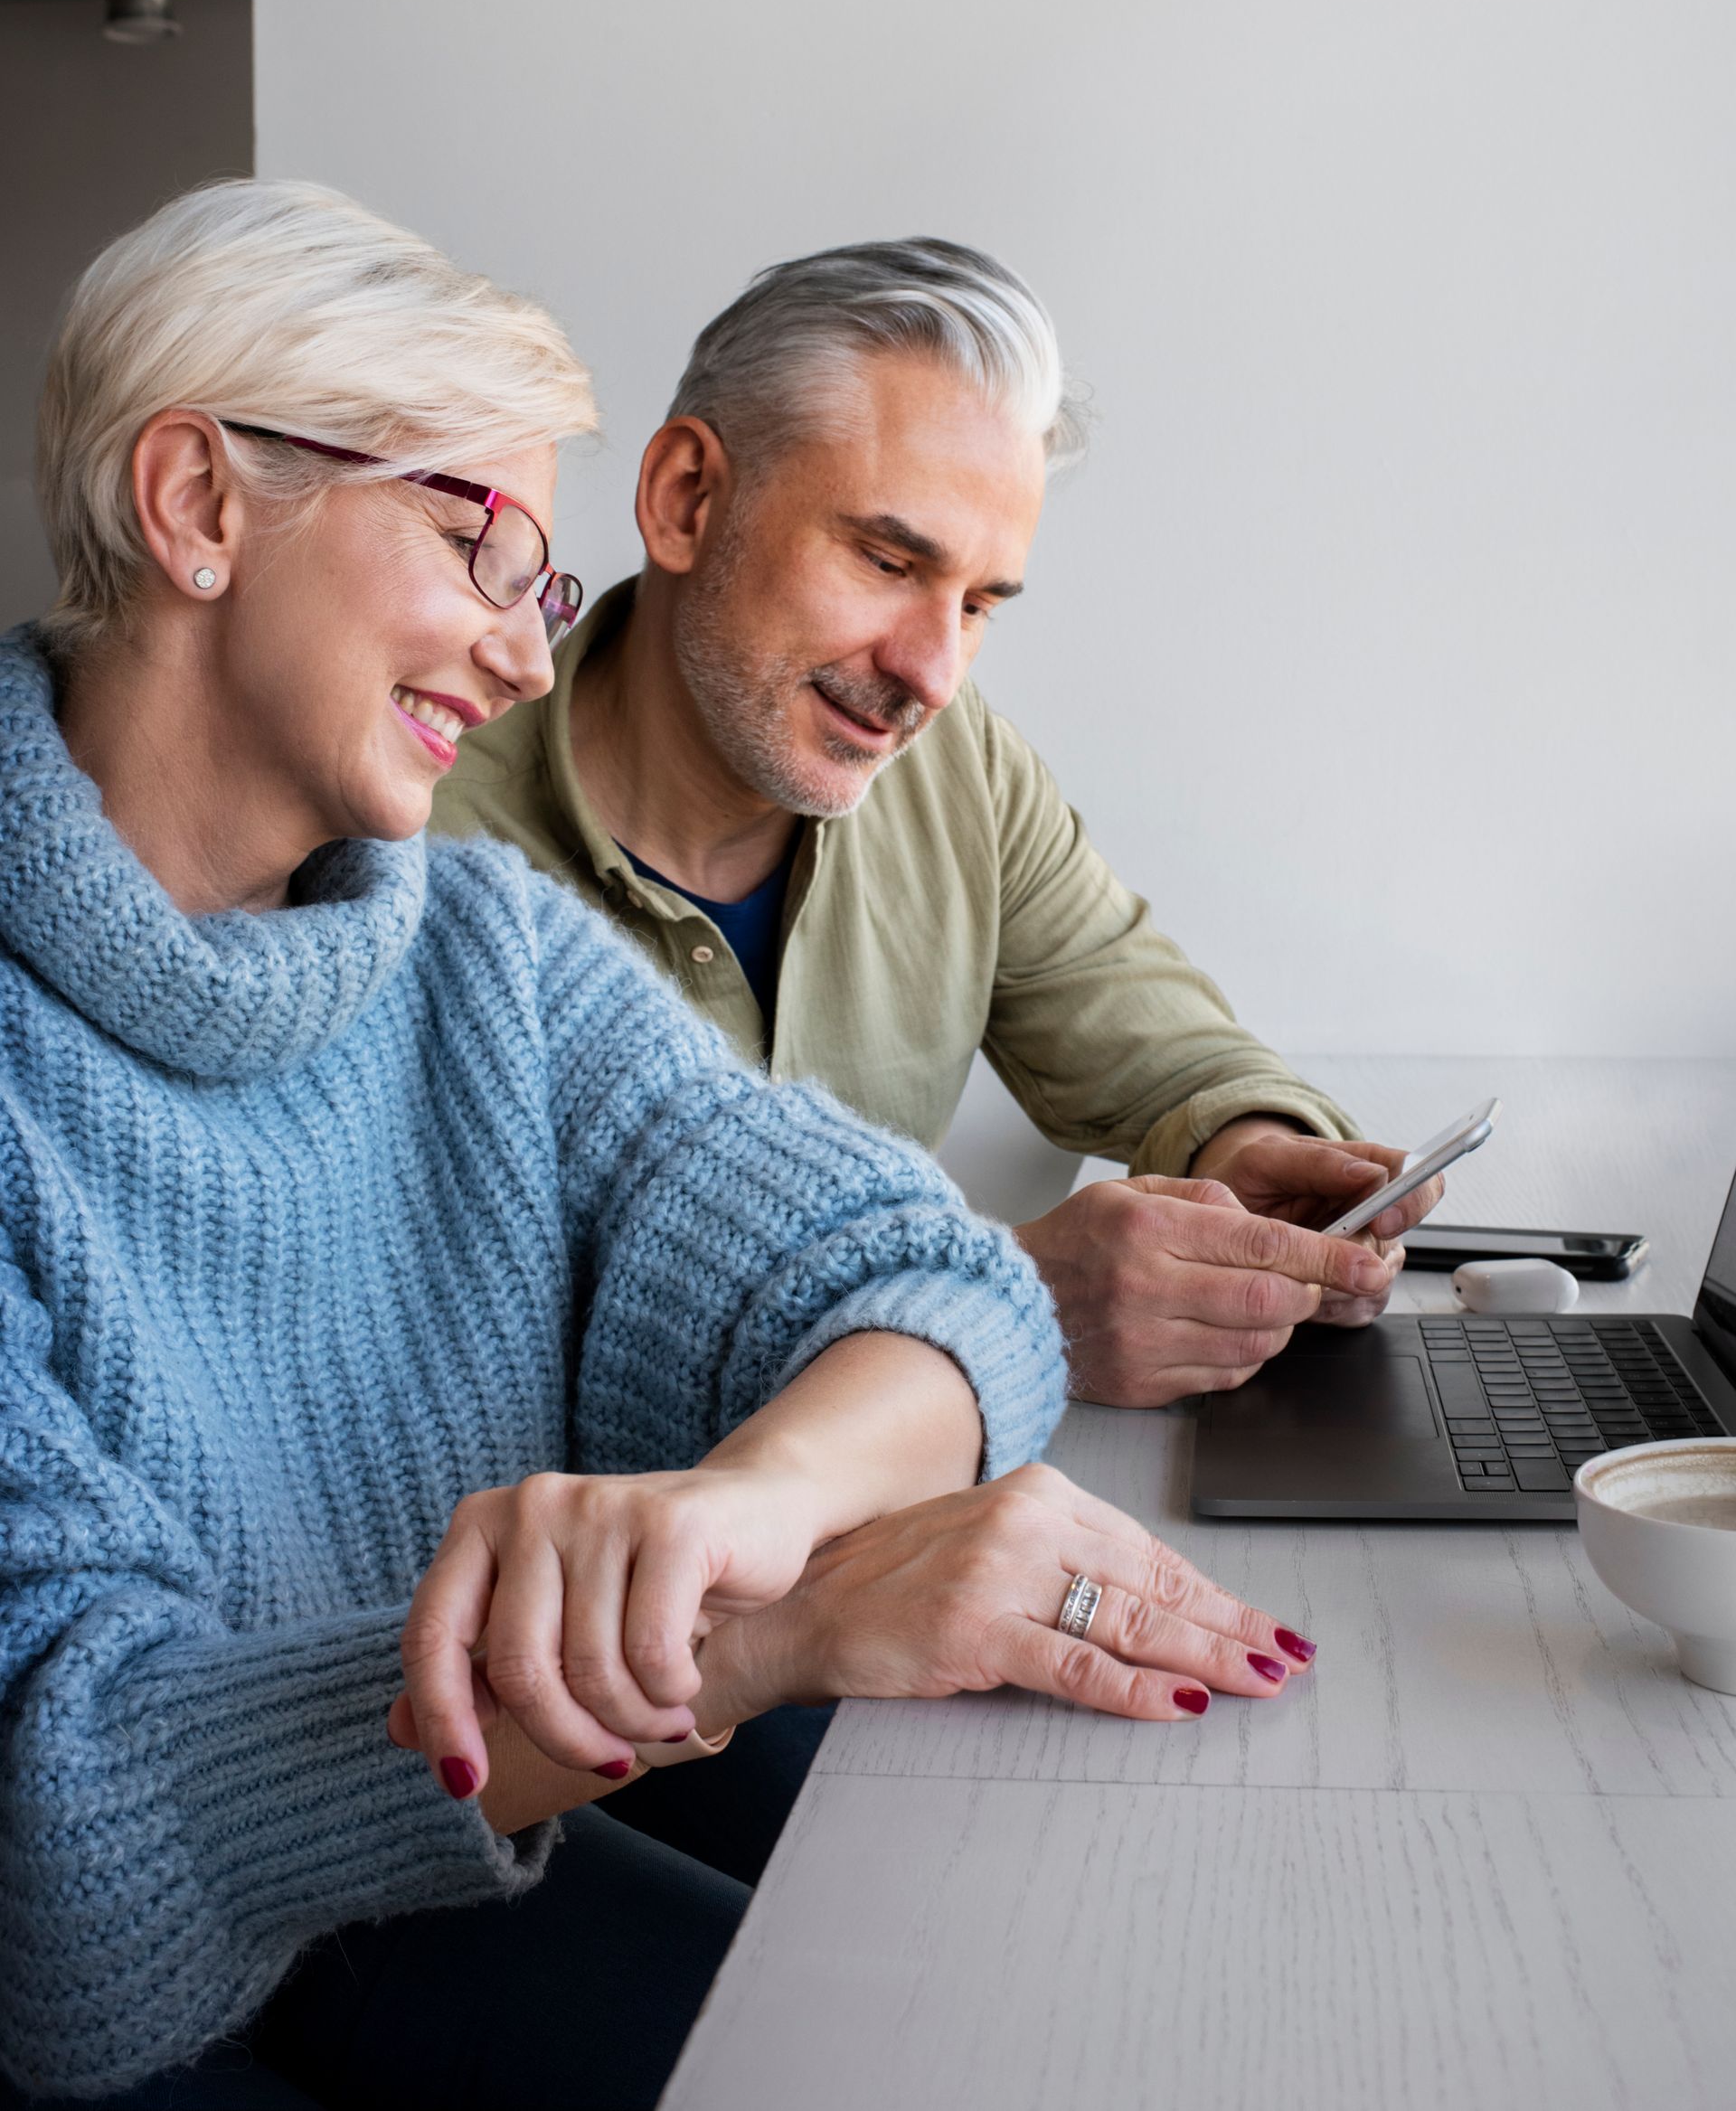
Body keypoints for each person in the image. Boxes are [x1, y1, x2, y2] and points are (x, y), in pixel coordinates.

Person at [0, 184, 1314, 2111]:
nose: (531, 656)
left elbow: (921, 1271)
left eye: (539, 584)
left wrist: (753, 1509)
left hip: (436, 1854)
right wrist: (756, 1625)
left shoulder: (484, 958)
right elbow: (75, 1846)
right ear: (200, 503)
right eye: (478, 540)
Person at [431, 238, 1442, 1407]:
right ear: (686, 499)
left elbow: (1167, 1052)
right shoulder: (416, 847)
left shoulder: (956, 769)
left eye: (975, 605)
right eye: (886, 559)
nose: (930, 671)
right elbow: (461, 1375)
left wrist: (1251, 1159)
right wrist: (993, 1296)